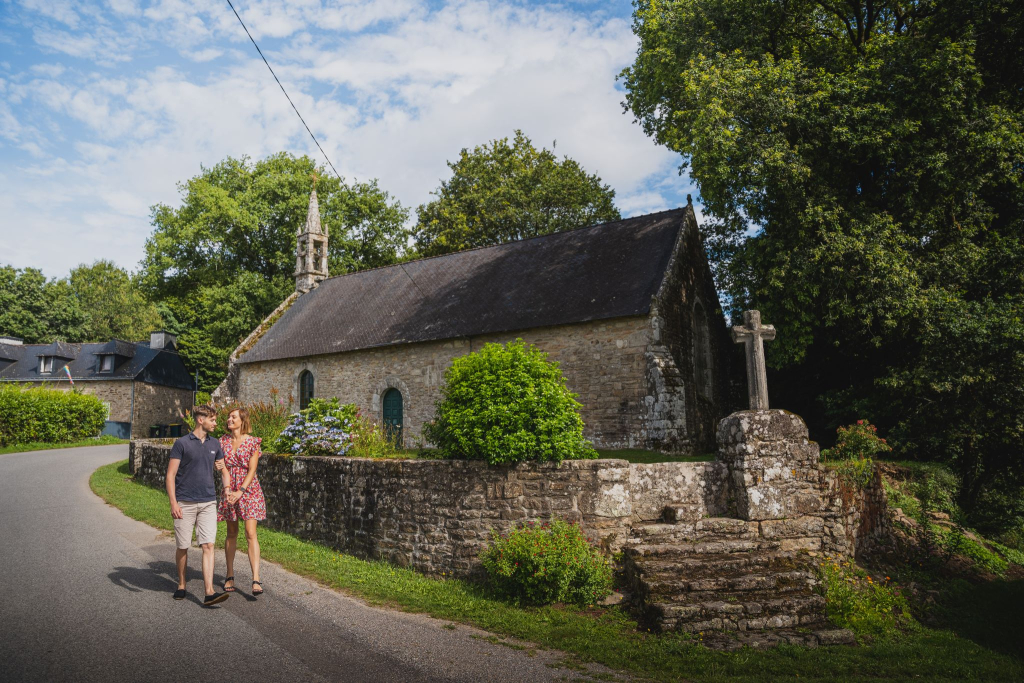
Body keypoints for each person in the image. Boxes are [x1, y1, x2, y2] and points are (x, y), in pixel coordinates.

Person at [166, 404, 232, 607]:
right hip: (184, 502)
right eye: (212, 419)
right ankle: (182, 584)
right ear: (200, 420)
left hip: (208, 501)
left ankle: (209, 592)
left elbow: (224, 471)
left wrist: (227, 489)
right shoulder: (182, 443)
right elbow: (170, 475)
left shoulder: (216, 444)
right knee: (183, 546)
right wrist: (173, 502)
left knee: (208, 545)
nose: (216, 423)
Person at [215, 407, 267, 596]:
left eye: (233, 417)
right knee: (231, 532)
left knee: (250, 533)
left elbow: (252, 469)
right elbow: (222, 467)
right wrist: (229, 490)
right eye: (229, 417)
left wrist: (241, 491)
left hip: (249, 489)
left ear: (242, 420)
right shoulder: (222, 441)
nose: (229, 419)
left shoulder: (253, 442)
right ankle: (229, 574)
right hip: (230, 488)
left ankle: (256, 578)